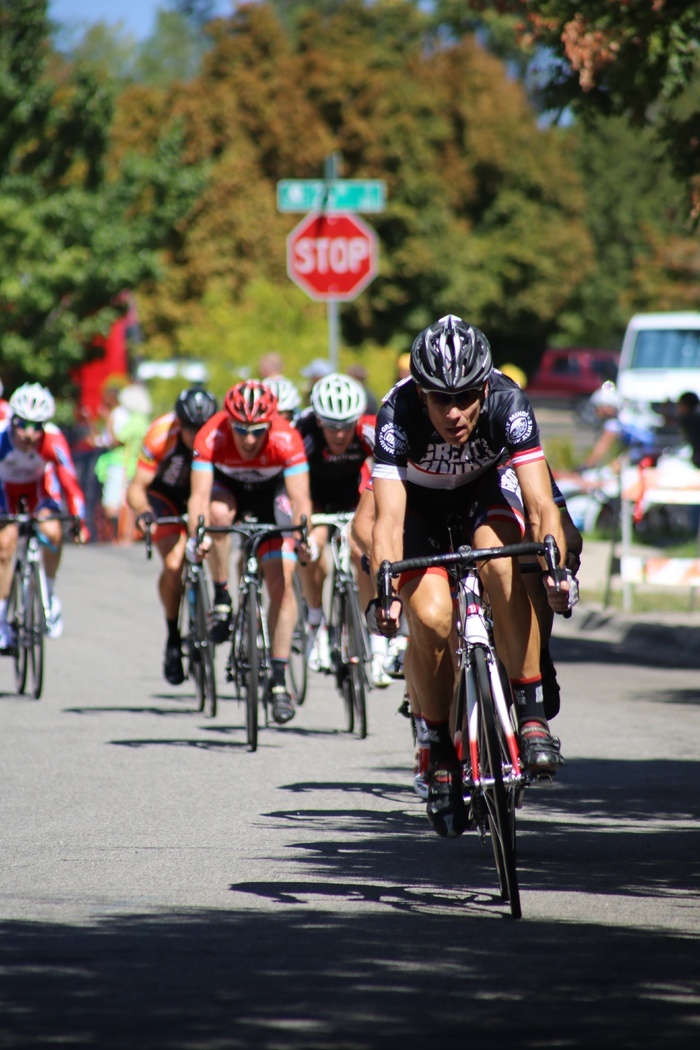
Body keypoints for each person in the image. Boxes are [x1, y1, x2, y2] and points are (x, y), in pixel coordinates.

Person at [368, 315, 571, 839]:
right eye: (440, 400)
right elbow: (388, 519)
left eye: (464, 398)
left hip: (484, 496)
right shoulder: (397, 413)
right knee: (432, 620)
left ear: (485, 386)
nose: (454, 413)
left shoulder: (508, 400)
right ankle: (436, 747)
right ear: (421, 393)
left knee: (500, 561)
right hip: (422, 512)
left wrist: (553, 571)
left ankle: (529, 711)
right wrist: (386, 594)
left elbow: (540, 502)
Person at [187, 380, 313, 725]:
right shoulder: (211, 435)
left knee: (282, 586)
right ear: (228, 421)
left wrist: (303, 536)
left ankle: (278, 680)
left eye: (257, 431)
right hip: (229, 493)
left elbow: (301, 500)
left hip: (270, 496)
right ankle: (223, 594)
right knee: (215, 515)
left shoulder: (287, 437)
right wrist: (195, 537)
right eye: (240, 429)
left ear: (270, 425)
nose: (248, 439)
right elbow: (197, 497)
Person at [295, 372, 390, 688]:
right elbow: (295, 491)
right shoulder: (303, 432)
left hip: (354, 499)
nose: (340, 434)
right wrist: (305, 528)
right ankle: (314, 623)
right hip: (314, 499)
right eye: (332, 426)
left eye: (346, 426)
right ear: (319, 422)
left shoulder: (368, 429)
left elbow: (391, 475)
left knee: (358, 551)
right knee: (310, 547)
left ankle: (376, 640)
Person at [126, 387, 218, 685]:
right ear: (179, 423)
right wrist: (143, 512)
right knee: (175, 563)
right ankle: (172, 636)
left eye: (201, 429)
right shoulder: (161, 433)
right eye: (190, 429)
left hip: (201, 496)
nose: (195, 436)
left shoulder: (220, 435)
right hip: (164, 499)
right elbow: (136, 487)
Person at [0, 383, 89, 649]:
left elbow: (70, 482)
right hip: (4, 491)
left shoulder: (54, 440)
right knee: (6, 544)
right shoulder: (1, 438)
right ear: (12, 420)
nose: (29, 433)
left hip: (39, 492)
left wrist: (79, 521)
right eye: (23, 424)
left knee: (52, 531)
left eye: (37, 426)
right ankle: (3, 620)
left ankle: (47, 594)